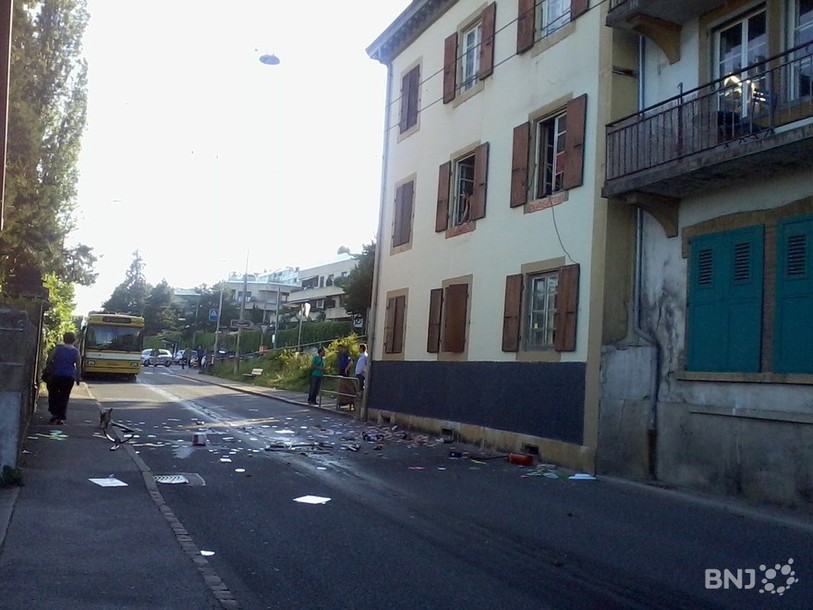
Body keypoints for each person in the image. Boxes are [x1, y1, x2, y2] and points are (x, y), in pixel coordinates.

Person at [44, 331, 82, 425]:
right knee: (64, 397)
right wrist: (77, 378)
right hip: (68, 377)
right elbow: (78, 366)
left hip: (56, 375)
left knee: (53, 394)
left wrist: (50, 367)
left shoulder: (58, 348)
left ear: (64, 338)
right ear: (74, 340)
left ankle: (54, 413)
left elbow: (49, 359)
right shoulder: (76, 351)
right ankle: (60, 417)